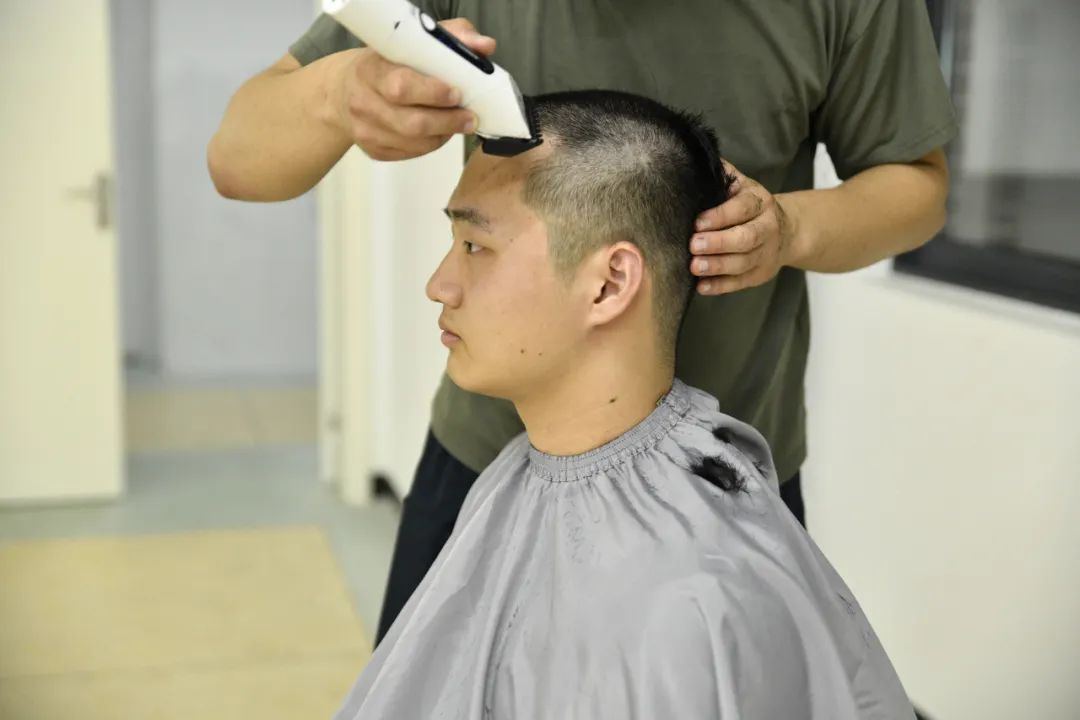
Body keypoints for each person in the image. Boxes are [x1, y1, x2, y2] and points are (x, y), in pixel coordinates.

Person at [208, 1, 956, 646]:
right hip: (488, 459)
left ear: (613, 281)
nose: (440, 287)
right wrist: (338, 95)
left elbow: (916, 185)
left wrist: (791, 228)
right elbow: (237, 158)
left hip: (722, 479)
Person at [330, 88, 919, 719]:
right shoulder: (509, 482)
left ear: (610, 284)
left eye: (475, 246)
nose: (438, 285)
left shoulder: (694, 601)